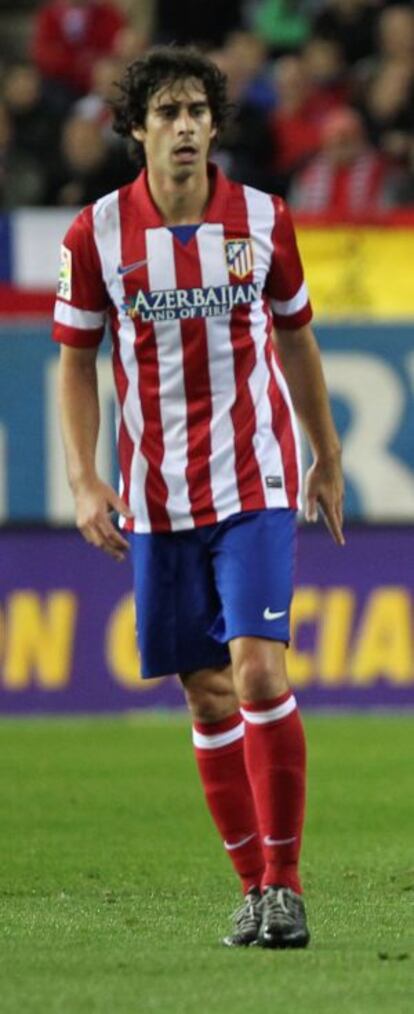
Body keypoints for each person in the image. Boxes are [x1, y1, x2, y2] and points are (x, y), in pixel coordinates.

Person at [53, 46, 344, 950]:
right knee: (207, 696)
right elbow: (75, 362)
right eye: (166, 112)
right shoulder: (94, 236)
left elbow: (296, 343)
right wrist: (84, 476)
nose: (183, 127)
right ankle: (254, 886)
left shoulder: (264, 219)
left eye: (196, 112)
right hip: (158, 499)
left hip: (253, 483)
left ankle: (288, 887)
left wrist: (324, 456)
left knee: (258, 672)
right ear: (136, 128)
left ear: (215, 124)